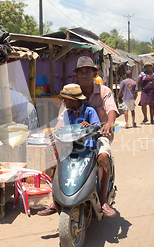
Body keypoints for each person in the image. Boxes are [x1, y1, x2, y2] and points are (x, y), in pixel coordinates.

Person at [39, 56, 119, 217]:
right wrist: (55, 133)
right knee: (53, 157)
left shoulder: (104, 91)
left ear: (94, 73)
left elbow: (111, 109)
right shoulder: (72, 93)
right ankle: (56, 199)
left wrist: (109, 123)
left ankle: (103, 201)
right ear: (76, 75)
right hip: (73, 137)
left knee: (103, 157)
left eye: (87, 71)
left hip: (99, 134)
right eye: (81, 72)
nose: (84, 75)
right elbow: (62, 117)